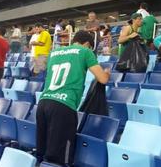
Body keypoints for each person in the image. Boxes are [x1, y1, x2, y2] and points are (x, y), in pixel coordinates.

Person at [37, 30, 110, 166]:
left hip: (43, 103)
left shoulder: (54, 53)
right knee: (61, 158)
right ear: (87, 44)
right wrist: (107, 73)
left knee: (43, 153)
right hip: (64, 106)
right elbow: (102, 79)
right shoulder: (85, 51)